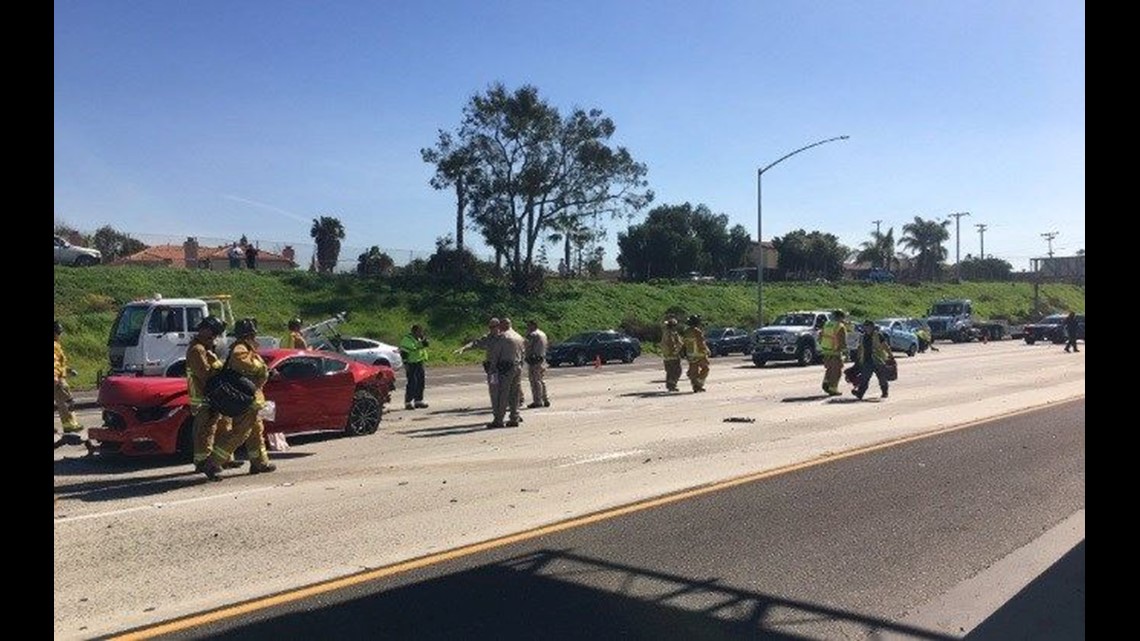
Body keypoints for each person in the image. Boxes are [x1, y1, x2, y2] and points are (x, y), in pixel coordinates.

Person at [199, 318, 277, 479]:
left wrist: (266, 371)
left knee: (256, 431)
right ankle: (213, 463)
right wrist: (262, 369)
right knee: (239, 433)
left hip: (253, 399)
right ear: (250, 334)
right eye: (253, 333)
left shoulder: (247, 347)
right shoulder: (240, 348)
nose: (255, 336)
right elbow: (243, 363)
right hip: (246, 400)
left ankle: (259, 462)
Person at [186, 317, 243, 472]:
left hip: (214, 396)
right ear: (204, 330)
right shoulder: (197, 350)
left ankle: (223, 459)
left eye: (216, 335)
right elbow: (205, 375)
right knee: (205, 430)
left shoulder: (205, 349)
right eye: (213, 333)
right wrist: (218, 364)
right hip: (204, 398)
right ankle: (203, 462)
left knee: (224, 425)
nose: (214, 337)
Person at [486, 317, 526, 428]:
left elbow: (496, 355)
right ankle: (514, 417)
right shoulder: (518, 336)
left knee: (501, 394)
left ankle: (498, 420)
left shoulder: (503, 337)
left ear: (503, 325)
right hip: (517, 367)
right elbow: (523, 354)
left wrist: (492, 369)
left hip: (505, 369)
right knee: (515, 393)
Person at [852, 319, 893, 400]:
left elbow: (885, 346)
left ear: (872, 327)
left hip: (878, 360)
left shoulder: (878, 335)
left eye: (868, 326)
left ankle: (885, 392)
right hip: (867, 361)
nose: (866, 328)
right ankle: (860, 393)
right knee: (864, 378)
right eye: (865, 326)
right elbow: (861, 348)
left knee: (882, 378)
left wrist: (890, 355)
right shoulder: (863, 336)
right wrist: (859, 358)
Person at [54, 320, 83, 434]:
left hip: (59, 377)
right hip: (58, 380)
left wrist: (68, 370)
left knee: (63, 401)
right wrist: (55, 376)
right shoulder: (54, 345)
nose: (60, 335)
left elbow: (59, 363)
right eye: (58, 332)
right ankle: (70, 425)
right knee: (67, 402)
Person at [399, 324, 430, 409]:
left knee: (421, 382)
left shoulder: (419, 339)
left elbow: (426, 344)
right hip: (411, 363)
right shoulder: (407, 339)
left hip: (419, 362)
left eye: (421, 331)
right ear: (414, 331)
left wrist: (423, 338)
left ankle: (418, 401)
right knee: (412, 382)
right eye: (419, 331)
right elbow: (404, 352)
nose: (420, 333)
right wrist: (405, 364)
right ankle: (408, 402)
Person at [819, 310, 849, 396]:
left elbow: (821, 335)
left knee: (830, 368)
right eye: (843, 317)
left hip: (826, 349)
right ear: (840, 317)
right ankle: (833, 388)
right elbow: (842, 341)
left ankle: (826, 381)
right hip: (835, 350)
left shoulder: (827, 324)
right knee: (837, 371)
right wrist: (846, 353)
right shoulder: (840, 326)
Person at [681, 315, 711, 392]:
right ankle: (698, 383)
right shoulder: (697, 331)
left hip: (690, 354)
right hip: (699, 354)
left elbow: (684, 343)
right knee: (705, 368)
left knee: (694, 372)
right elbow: (701, 343)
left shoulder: (686, 331)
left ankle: (696, 386)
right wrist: (706, 350)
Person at [524, 320, 550, 408]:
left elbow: (526, 345)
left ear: (533, 325)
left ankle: (537, 400)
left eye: (529, 325)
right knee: (541, 380)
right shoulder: (543, 334)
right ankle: (545, 398)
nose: (527, 327)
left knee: (534, 381)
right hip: (542, 359)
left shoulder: (533, 335)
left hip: (534, 360)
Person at [659, 316, 684, 392]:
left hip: (666, 356)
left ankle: (669, 385)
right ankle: (672, 385)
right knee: (677, 371)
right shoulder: (672, 334)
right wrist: (676, 351)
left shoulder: (665, 333)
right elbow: (672, 344)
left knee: (669, 371)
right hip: (673, 356)